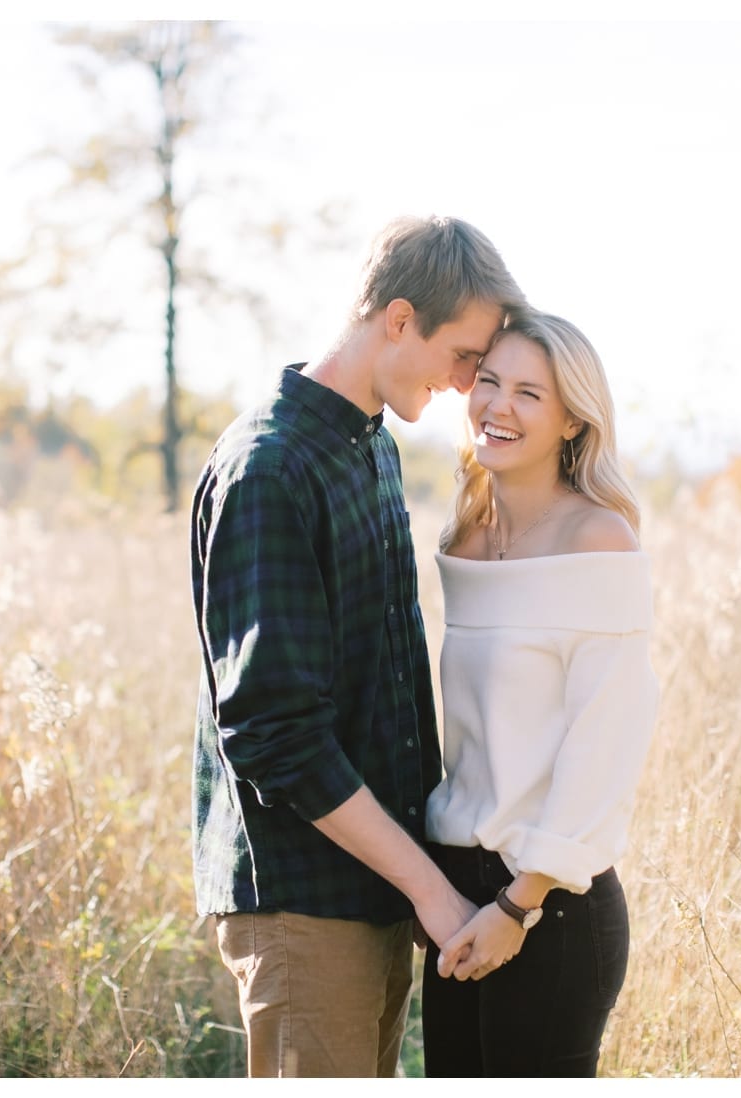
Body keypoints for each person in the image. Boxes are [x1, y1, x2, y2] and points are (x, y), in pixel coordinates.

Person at [189, 215, 528, 1077]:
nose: (465, 386)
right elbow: (276, 734)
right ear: (400, 318)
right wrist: (428, 885)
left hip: (373, 891)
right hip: (305, 905)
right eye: (463, 357)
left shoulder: (369, 443)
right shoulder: (270, 467)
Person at [420, 309, 661, 1077]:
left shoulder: (598, 540)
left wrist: (519, 905)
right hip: (458, 892)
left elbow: (606, 745)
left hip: (548, 903)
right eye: (488, 381)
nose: (499, 406)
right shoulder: (462, 541)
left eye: (530, 393)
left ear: (570, 422)